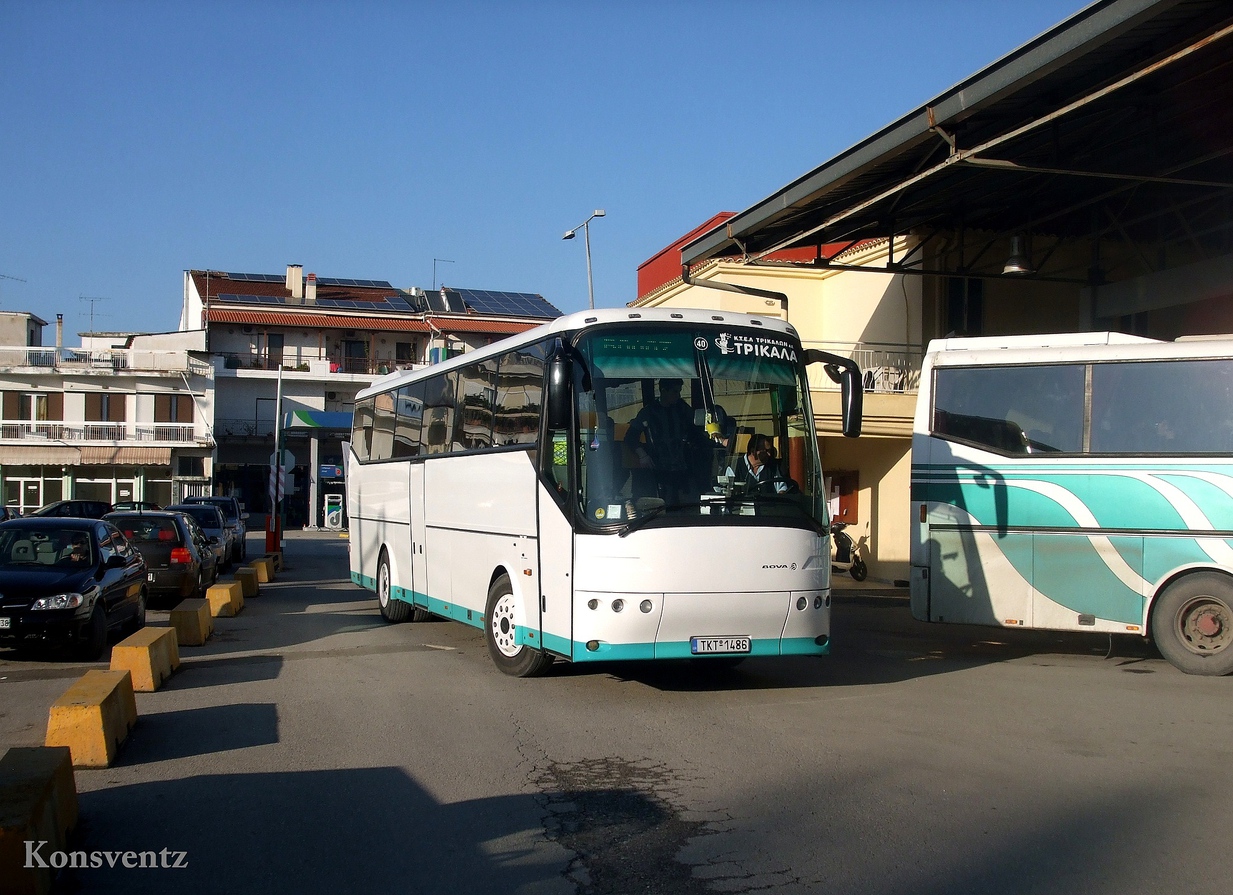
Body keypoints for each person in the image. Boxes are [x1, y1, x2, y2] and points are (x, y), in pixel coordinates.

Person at [623, 378, 708, 503]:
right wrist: (643, 455)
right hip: (658, 468)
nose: (678, 395)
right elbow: (630, 437)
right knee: (661, 502)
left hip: (681, 468)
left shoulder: (682, 409)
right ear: (663, 391)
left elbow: (697, 428)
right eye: (675, 391)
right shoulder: (649, 412)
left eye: (679, 391)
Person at [729, 434, 797, 495]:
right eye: (766, 451)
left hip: (768, 504)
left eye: (770, 451)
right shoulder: (734, 467)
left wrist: (780, 496)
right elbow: (728, 492)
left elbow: (782, 488)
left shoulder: (773, 467)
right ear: (753, 451)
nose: (769, 454)